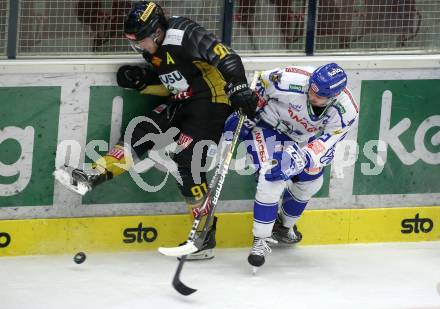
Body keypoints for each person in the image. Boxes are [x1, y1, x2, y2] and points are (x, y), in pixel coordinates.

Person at [55, 1, 257, 260]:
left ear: (157, 31)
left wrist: (238, 87)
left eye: (140, 40)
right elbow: (173, 84)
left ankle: (203, 235)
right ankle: (93, 176)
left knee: (188, 162)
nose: (138, 45)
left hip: (213, 101)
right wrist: (143, 82)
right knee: (139, 131)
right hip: (184, 101)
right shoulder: (152, 51)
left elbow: (226, 56)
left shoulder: (183, 33)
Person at [225, 63, 359, 269]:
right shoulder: (289, 79)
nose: (312, 96)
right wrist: (248, 112)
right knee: (272, 175)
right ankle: (260, 239)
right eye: (311, 89)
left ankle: (284, 227)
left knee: (312, 179)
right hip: (267, 125)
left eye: (319, 96)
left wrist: (303, 158)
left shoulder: (346, 110)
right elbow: (261, 81)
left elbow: (328, 142)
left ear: (334, 96)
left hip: (301, 140)